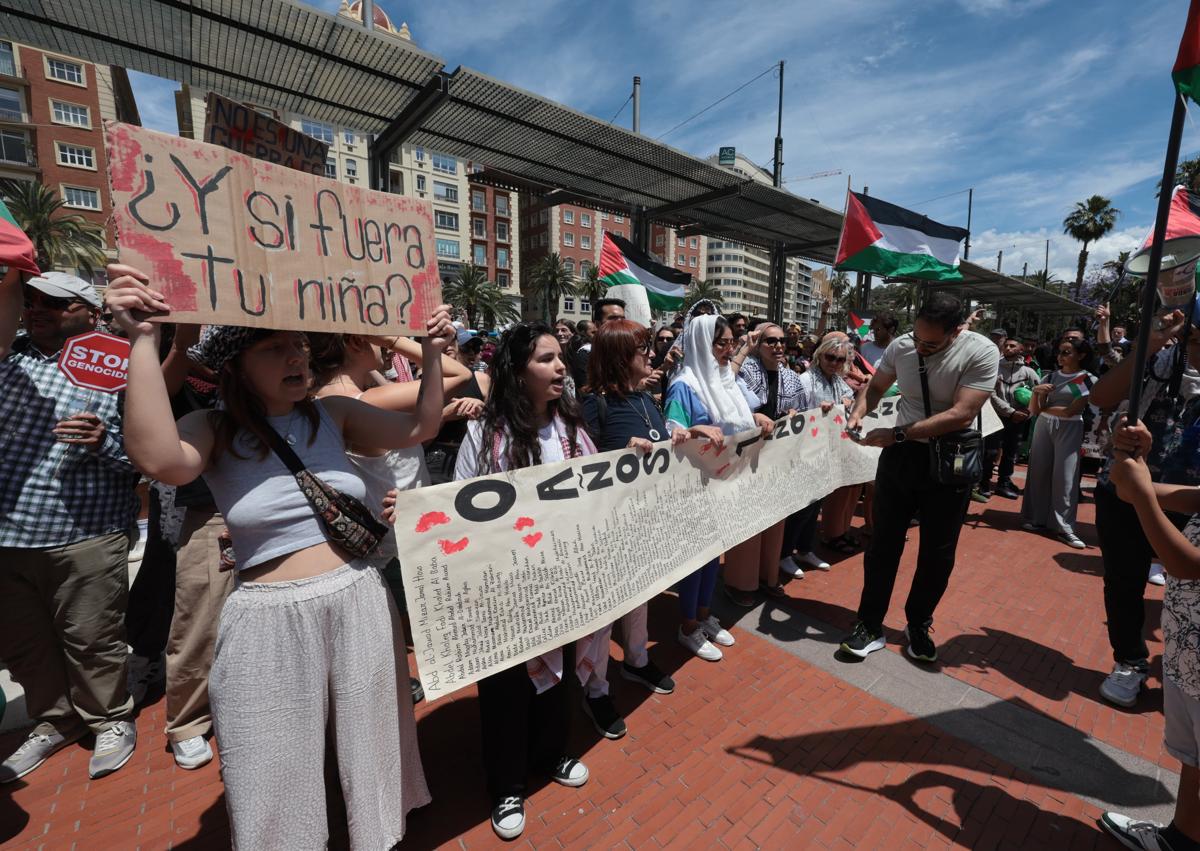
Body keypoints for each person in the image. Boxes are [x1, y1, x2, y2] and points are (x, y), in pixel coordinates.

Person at [106, 264, 446, 849]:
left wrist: (435, 353)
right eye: (275, 347)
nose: (297, 358)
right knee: (269, 768)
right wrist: (140, 339)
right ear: (237, 364)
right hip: (265, 619)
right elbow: (159, 459)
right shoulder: (211, 428)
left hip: (359, 600)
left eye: (300, 346)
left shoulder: (334, 415)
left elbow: (422, 424)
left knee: (374, 749)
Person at [453, 323, 597, 840]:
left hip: (560, 582)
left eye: (561, 358)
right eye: (546, 359)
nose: (561, 367)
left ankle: (552, 754)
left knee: (558, 673)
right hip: (503, 586)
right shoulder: (483, 435)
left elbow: (598, 492)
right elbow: (458, 508)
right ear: (517, 372)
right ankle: (507, 783)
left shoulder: (574, 432)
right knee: (505, 687)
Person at [0, 270, 141, 784]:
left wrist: (105, 441)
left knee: (92, 639)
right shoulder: (6, 356)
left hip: (84, 533)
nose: (37, 310)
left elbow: (153, 460)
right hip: (7, 537)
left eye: (55, 305)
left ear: (89, 312)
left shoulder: (123, 367)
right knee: (24, 643)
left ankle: (109, 719)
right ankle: (53, 720)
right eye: (31, 301)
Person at [842, 292, 998, 663]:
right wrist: (858, 411)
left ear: (957, 331)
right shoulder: (902, 346)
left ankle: (918, 623)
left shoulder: (982, 352)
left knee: (938, 552)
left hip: (950, 458)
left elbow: (962, 413)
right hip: (902, 457)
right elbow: (876, 387)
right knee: (883, 543)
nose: (921, 348)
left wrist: (897, 433)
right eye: (917, 338)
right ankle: (869, 624)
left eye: (932, 343)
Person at [1090, 308, 1200, 708]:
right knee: (1123, 579)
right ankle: (1131, 661)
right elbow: (1101, 396)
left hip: (1189, 499)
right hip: (1125, 490)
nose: (1196, 350)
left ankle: (1185, 664)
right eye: (1194, 338)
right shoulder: (1158, 363)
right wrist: (1151, 341)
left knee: (1190, 585)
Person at [1100, 416, 1200, 851]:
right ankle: (1180, 839)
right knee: (1193, 759)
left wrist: (1140, 492)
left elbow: (1188, 564)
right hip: (1186, 652)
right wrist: (1135, 460)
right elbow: (1135, 491)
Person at [578, 320, 677, 735]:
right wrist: (621, 453)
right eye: (641, 350)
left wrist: (682, 436)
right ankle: (595, 688)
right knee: (602, 617)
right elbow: (582, 467)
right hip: (607, 528)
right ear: (620, 358)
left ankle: (636, 660)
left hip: (646, 523)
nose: (650, 355)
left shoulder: (646, 400)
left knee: (641, 598)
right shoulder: (593, 406)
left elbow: (660, 444)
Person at [664, 314, 773, 657]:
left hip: (723, 483)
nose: (729, 350)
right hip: (694, 487)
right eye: (721, 343)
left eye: (731, 342)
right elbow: (672, 437)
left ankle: (704, 615)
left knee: (713, 555)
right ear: (701, 344)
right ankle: (688, 626)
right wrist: (696, 431)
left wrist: (755, 418)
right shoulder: (685, 384)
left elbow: (737, 416)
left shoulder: (725, 379)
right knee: (695, 558)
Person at [739, 322, 815, 579]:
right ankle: (744, 579)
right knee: (750, 521)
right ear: (758, 346)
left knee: (775, 518)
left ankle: (770, 571)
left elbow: (802, 413)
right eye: (770, 341)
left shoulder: (792, 378)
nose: (778, 345)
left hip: (778, 459)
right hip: (748, 459)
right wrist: (753, 416)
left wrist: (794, 414)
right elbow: (732, 410)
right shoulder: (744, 372)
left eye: (781, 340)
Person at [1019, 337, 1096, 549]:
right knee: (1038, 472)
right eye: (1060, 352)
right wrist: (1036, 393)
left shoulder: (1085, 379)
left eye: (1067, 352)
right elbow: (1034, 409)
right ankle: (1036, 519)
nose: (1061, 356)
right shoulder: (1050, 375)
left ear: (1081, 355)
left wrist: (1042, 406)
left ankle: (1065, 527)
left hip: (1070, 427)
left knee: (1065, 476)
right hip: (1044, 426)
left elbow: (1072, 410)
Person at [425, 334, 490, 484]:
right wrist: (443, 416)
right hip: (437, 462)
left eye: (450, 339)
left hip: (477, 457)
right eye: (438, 340)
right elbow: (418, 444)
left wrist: (482, 409)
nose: (446, 344)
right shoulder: (422, 386)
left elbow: (500, 425)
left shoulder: (482, 380)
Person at [980, 337, 1039, 500]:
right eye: (1006, 345)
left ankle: (1003, 483)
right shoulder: (994, 368)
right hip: (996, 417)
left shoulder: (1029, 372)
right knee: (990, 452)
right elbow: (990, 394)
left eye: (1012, 346)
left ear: (1021, 349)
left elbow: (1038, 395)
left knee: (1011, 452)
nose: (1008, 348)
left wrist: (1027, 413)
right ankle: (983, 482)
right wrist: (1011, 412)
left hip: (1018, 420)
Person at [570, 299, 626, 389]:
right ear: (598, 324)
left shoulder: (628, 352)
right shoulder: (586, 354)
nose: (619, 323)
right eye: (613, 319)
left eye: (622, 319)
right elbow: (587, 392)